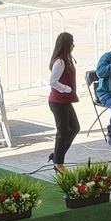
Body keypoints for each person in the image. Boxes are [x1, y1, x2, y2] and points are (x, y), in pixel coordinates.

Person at [45, 31, 81, 168]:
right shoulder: (60, 62)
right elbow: (53, 81)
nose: (73, 46)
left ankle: (57, 155)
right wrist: (66, 89)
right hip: (58, 102)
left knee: (75, 128)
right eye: (72, 43)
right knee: (63, 131)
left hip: (65, 101)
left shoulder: (67, 58)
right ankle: (59, 163)